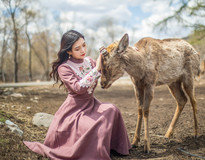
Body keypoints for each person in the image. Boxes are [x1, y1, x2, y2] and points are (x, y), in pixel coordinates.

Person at [23, 30, 131, 160]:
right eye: (77, 48)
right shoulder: (64, 68)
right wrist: (96, 69)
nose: (83, 50)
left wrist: (106, 57)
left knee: (112, 109)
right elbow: (78, 88)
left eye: (84, 45)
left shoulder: (90, 61)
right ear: (69, 51)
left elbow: (106, 73)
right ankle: (94, 152)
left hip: (92, 104)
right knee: (96, 122)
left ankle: (114, 147)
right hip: (75, 110)